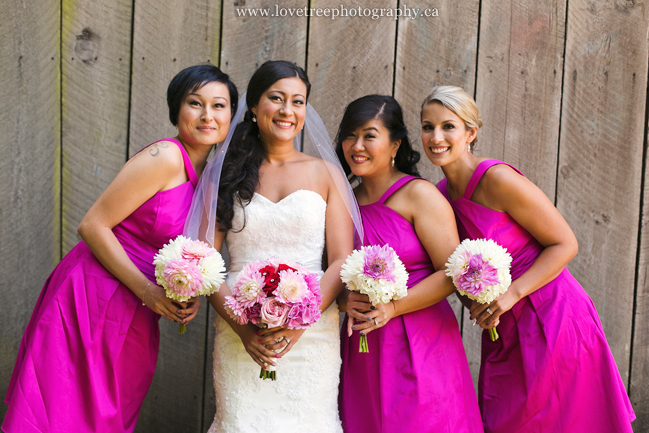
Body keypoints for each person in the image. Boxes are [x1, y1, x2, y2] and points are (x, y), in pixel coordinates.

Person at [2, 64, 238, 433]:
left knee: (110, 414)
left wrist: (190, 292)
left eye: (218, 106)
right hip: (92, 294)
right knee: (62, 411)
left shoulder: (213, 181)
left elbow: (202, 255)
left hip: (142, 311)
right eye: (195, 103)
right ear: (177, 110)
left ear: (231, 116)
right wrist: (147, 290)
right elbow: (92, 225)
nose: (207, 115)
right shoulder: (165, 157)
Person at [423, 85, 635, 432]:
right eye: (428, 126)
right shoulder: (438, 197)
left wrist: (512, 294)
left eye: (448, 126)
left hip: (552, 312)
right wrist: (474, 301)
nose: (436, 136)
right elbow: (453, 267)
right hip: (503, 325)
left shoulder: (498, 179)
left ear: (470, 132)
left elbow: (565, 243)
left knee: (566, 419)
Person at [196, 60, 361, 433]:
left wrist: (299, 325)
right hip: (240, 324)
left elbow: (340, 260)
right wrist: (242, 329)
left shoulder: (327, 173)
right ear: (254, 106)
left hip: (312, 331)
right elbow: (203, 262)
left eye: (298, 101)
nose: (288, 111)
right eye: (277, 98)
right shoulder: (226, 172)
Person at [335, 95, 483, 433]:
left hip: (421, 339)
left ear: (394, 145)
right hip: (363, 344)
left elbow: (452, 273)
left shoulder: (419, 195)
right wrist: (344, 300)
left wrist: (394, 308)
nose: (357, 146)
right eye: (350, 135)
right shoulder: (343, 202)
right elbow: (335, 270)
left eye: (369, 135)